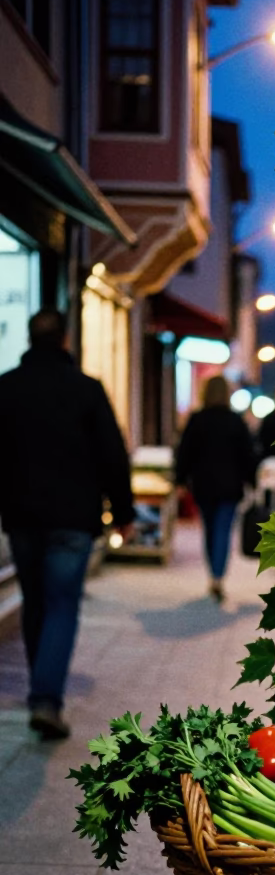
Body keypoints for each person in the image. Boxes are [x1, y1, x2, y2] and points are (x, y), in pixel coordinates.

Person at [0, 308, 134, 739]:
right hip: (73, 519)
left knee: (34, 600)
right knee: (61, 604)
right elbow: (113, 455)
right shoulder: (86, 390)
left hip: (21, 516)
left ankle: (43, 687)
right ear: (65, 340)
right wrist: (125, 513)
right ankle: (46, 697)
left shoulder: (7, 388)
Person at [175, 374, 255, 602]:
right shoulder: (235, 421)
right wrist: (251, 480)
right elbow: (247, 455)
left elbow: (185, 452)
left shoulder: (197, 419)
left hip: (203, 485)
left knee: (209, 530)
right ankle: (218, 577)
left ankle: (214, 573)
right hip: (230, 486)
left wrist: (180, 480)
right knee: (223, 530)